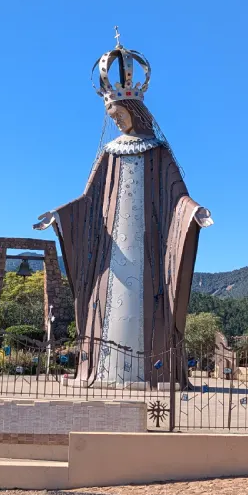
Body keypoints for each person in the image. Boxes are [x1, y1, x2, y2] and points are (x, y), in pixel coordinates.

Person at [35, 37, 211, 385]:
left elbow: (177, 194)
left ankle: (154, 373)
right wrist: (59, 215)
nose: (116, 122)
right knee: (108, 305)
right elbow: (88, 200)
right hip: (111, 252)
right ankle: (103, 371)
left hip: (149, 254)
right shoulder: (109, 152)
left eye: (119, 115)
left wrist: (193, 213)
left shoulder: (158, 152)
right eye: (112, 117)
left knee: (149, 305)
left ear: (134, 111)